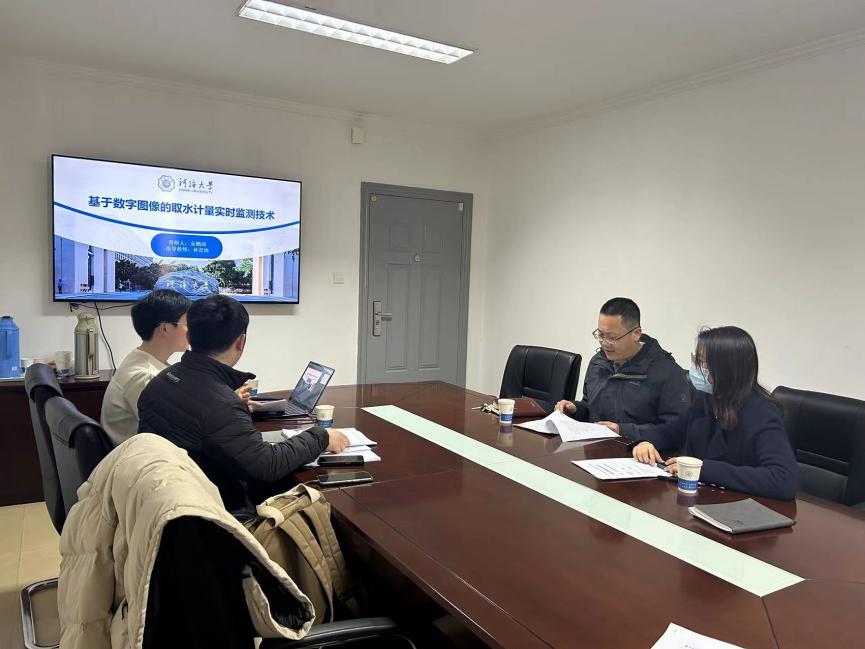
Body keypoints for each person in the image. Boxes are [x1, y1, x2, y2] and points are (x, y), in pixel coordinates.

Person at [137, 294, 349, 517]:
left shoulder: (160, 381)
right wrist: (321, 437)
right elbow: (266, 466)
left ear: (189, 336)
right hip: (216, 514)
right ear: (241, 342)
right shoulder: (221, 405)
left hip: (165, 505)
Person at [632, 326, 798, 501]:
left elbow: (783, 480)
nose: (696, 368)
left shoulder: (762, 413)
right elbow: (674, 430)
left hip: (744, 506)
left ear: (725, 369)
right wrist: (647, 442)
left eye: (701, 362)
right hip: (703, 499)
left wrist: (703, 470)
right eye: (696, 359)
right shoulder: (707, 398)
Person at [555, 297, 691, 441]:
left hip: (638, 451)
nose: (604, 343)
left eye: (612, 337)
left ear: (636, 334)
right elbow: (590, 407)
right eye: (600, 335)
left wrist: (622, 431)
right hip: (596, 447)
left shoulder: (667, 372)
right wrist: (575, 409)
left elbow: (675, 430)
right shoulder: (598, 363)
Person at [101, 289, 191, 446]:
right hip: (142, 456)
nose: (193, 330)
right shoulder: (145, 376)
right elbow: (175, 431)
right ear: (165, 328)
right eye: (188, 324)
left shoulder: (141, 358)